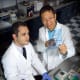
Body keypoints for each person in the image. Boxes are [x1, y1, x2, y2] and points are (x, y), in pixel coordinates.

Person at [35, 5, 75, 70]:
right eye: (44, 20)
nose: (48, 23)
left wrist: (65, 52)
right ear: (41, 21)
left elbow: (72, 51)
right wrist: (45, 44)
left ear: (55, 16)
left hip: (58, 65)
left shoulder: (64, 30)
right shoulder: (41, 30)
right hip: (44, 64)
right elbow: (39, 48)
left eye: (50, 18)